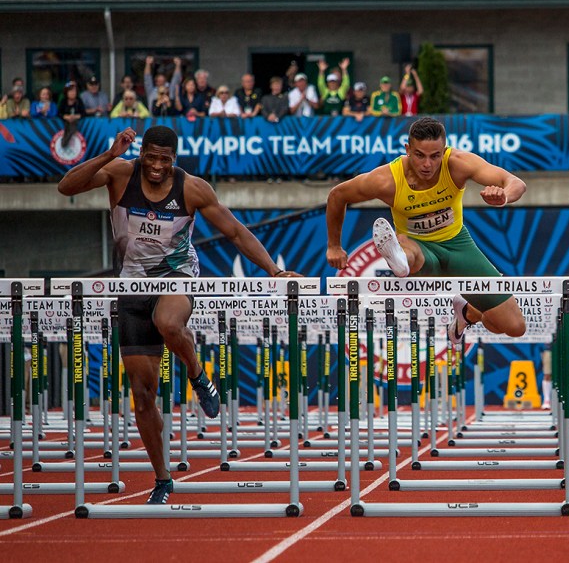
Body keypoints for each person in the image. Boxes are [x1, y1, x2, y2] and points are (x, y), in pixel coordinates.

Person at [57, 125, 300, 504]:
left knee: (169, 323)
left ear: (175, 159)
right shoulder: (121, 173)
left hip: (177, 275)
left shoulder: (192, 188)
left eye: (164, 160)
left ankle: (197, 374)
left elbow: (235, 232)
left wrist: (273, 270)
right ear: (141, 155)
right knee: (143, 394)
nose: (156, 166)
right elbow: (66, 188)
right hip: (131, 286)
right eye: (150, 157)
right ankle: (163, 479)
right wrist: (109, 153)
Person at [326, 117, 527, 345]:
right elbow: (338, 195)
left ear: (444, 151)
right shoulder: (387, 180)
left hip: (458, 246)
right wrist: (334, 245)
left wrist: (504, 196)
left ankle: (467, 313)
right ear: (408, 150)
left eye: (435, 156)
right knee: (407, 249)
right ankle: (399, 259)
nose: (427, 165)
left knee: (514, 327)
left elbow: (514, 182)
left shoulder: (458, 163)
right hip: (420, 249)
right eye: (420, 155)